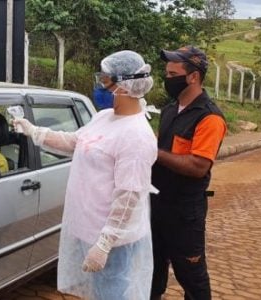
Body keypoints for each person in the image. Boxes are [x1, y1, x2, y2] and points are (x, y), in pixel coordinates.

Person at [13, 50, 157, 299]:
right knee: (99, 292)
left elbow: (129, 195)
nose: (99, 85)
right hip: (87, 228)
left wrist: (104, 243)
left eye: (104, 80)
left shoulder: (136, 135)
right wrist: (33, 131)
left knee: (113, 293)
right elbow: (74, 142)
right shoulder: (104, 117)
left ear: (123, 84)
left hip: (113, 240)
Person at [150, 46, 227, 300]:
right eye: (166, 73)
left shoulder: (209, 118)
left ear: (193, 77)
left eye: (173, 73)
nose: (167, 79)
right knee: (152, 271)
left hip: (184, 214)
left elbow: (198, 166)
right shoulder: (170, 109)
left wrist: (154, 151)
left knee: (191, 278)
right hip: (157, 205)